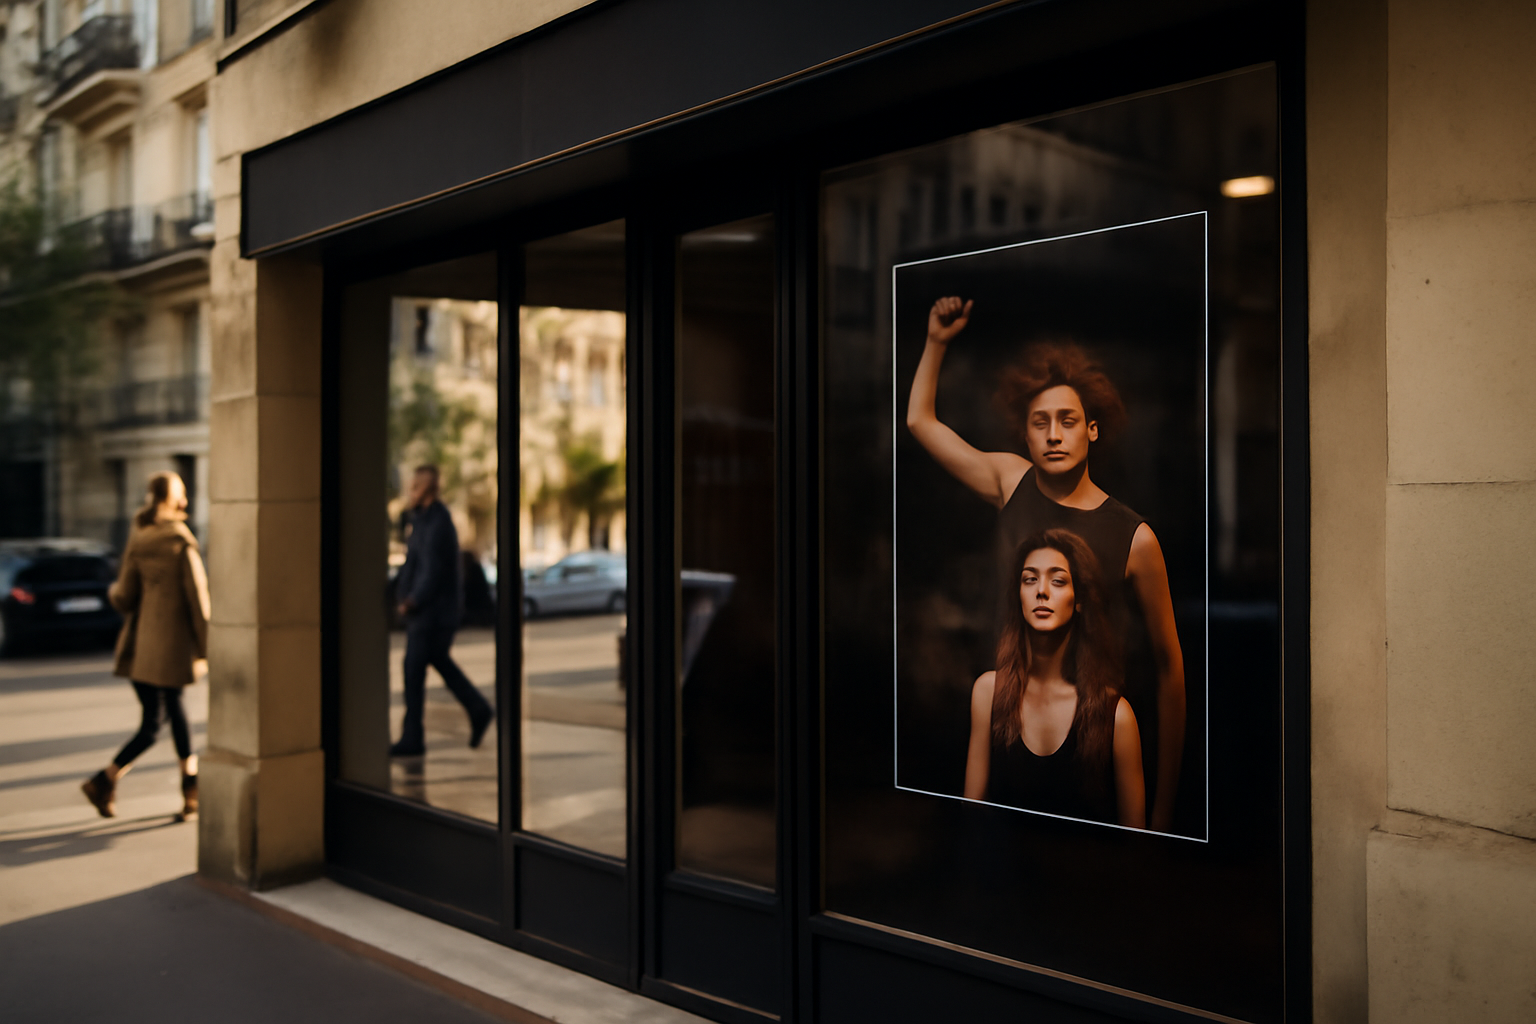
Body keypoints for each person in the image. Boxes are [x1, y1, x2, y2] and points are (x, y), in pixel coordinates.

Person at [907, 296, 1186, 831]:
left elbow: (1171, 671)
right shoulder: (1010, 481)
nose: (1054, 434)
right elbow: (920, 423)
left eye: (1067, 421)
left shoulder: (1135, 538)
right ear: (1026, 433)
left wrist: (1163, 813)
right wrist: (937, 344)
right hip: (1008, 731)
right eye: (1040, 423)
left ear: (1092, 430)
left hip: (1087, 751)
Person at [963, 530, 1144, 828]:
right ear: (1018, 595)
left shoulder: (1116, 716)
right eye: (1029, 579)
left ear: (1080, 599)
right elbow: (971, 817)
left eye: (1058, 580)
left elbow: (1137, 849)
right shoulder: (988, 692)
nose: (1041, 591)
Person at [80, 471, 210, 821]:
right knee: (164, 717)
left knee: (159, 718)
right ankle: (187, 787)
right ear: (176, 499)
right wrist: (209, 646)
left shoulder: (140, 538)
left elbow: (123, 597)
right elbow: (198, 601)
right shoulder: (180, 541)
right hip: (173, 646)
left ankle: (108, 781)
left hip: (141, 646)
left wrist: (112, 592)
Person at [390, 464, 494, 757]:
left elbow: (431, 571)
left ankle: (414, 738)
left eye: (415, 487)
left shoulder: (438, 523)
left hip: (432, 615)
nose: (410, 492)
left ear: (428, 489)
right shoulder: (421, 521)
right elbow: (413, 564)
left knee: (413, 671)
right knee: (437, 665)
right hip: (427, 613)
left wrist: (412, 600)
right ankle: (478, 710)